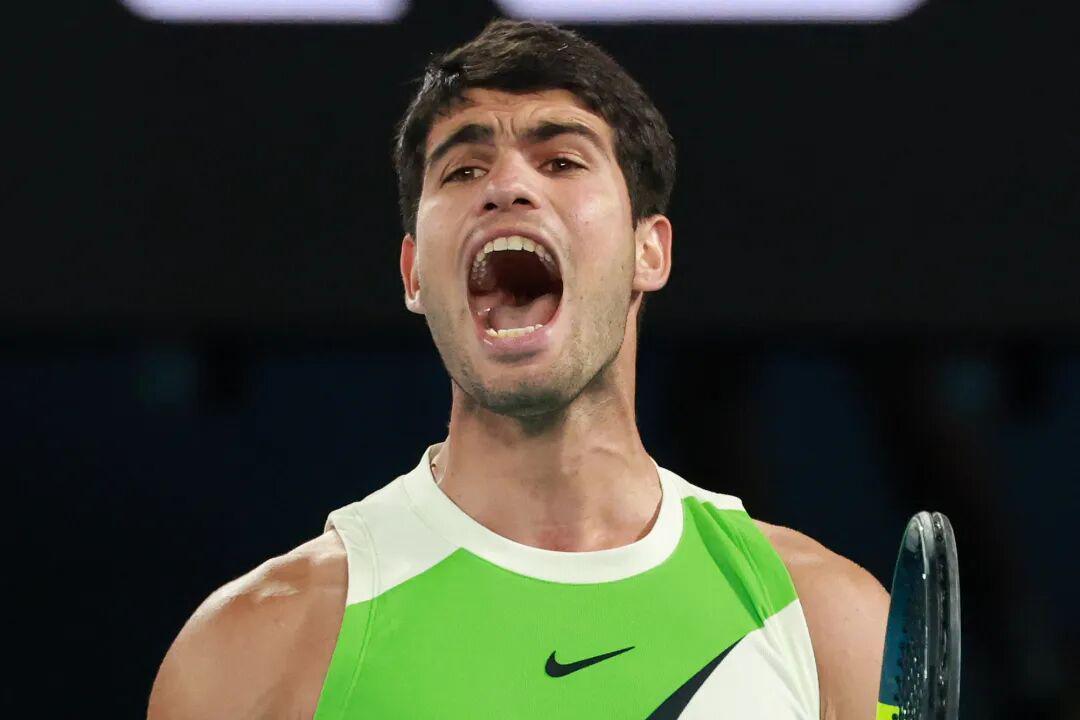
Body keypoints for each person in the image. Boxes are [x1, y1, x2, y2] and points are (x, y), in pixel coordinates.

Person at [147, 19, 887, 719]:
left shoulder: (828, 625)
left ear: (649, 251)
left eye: (562, 161)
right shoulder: (254, 652)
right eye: (463, 170)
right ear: (413, 273)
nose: (505, 187)